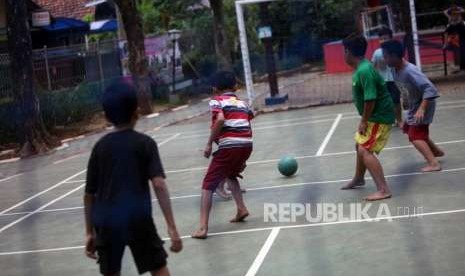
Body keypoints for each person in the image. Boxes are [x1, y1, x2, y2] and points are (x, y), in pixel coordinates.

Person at [84, 80, 182, 276]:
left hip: (107, 220)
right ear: (136, 112)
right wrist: (172, 227)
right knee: (158, 269)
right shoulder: (145, 144)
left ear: (106, 117)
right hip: (138, 218)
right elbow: (159, 184)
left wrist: (89, 231)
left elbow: (89, 194)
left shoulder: (100, 147)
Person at [192, 71, 254, 239]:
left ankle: (203, 227)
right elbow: (246, 121)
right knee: (231, 174)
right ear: (235, 86)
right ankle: (241, 209)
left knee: (207, 185)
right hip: (247, 144)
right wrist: (241, 155)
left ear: (215, 89)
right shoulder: (243, 103)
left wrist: (208, 144)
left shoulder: (217, 100)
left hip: (230, 146)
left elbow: (220, 120)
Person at [340, 35, 395, 201]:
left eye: (344, 51)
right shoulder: (362, 68)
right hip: (374, 116)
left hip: (379, 117)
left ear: (348, 52)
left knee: (365, 150)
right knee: (360, 144)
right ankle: (359, 178)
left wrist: (364, 120)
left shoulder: (364, 71)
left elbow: (370, 98)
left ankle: (383, 189)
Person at [382, 40, 445, 172]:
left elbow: (430, 89)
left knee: (415, 136)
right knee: (409, 128)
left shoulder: (410, 71)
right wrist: (405, 100)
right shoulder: (394, 69)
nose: (384, 58)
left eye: (386, 55)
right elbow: (404, 88)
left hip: (424, 103)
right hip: (414, 104)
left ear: (394, 56)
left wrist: (422, 109)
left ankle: (434, 163)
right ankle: (435, 151)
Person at [372, 27, 403, 127]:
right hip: (382, 81)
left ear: (391, 38)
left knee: (396, 101)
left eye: (386, 38)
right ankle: (389, 120)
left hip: (394, 80)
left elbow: (400, 63)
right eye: (381, 39)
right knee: (385, 102)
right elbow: (373, 66)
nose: (383, 41)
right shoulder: (377, 53)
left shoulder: (394, 51)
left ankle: (399, 120)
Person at [443, 5, 465, 72]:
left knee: (462, 47)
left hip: (459, 25)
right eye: (453, 14)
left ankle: (462, 66)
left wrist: (457, 11)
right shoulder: (450, 15)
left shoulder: (459, 12)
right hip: (453, 25)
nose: (454, 14)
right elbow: (445, 12)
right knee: (446, 31)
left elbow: (463, 11)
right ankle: (446, 43)